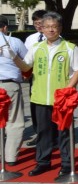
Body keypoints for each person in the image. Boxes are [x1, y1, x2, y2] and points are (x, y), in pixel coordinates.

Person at [12, 12, 78, 177]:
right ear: (42, 28)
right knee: (43, 132)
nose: (51, 30)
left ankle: (66, 164)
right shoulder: (36, 48)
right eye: (48, 27)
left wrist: (68, 89)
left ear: (60, 28)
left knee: (64, 132)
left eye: (55, 26)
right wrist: (14, 57)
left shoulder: (69, 48)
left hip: (62, 100)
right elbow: (25, 68)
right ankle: (43, 162)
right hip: (40, 97)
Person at [0, 16, 27, 166]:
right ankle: (10, 157)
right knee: (14, 121)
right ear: (5, 28)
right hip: (9, 84)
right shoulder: (14, 42)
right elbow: (28, 61)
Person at [23, 9, 47, 147]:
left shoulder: (54, 37)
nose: (38, 25)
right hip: (35, 76)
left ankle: (53, 133)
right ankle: (38, 132)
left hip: (51, 77)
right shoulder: (31, 39)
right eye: (35, 23)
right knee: (35, 105)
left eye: (40, 22)